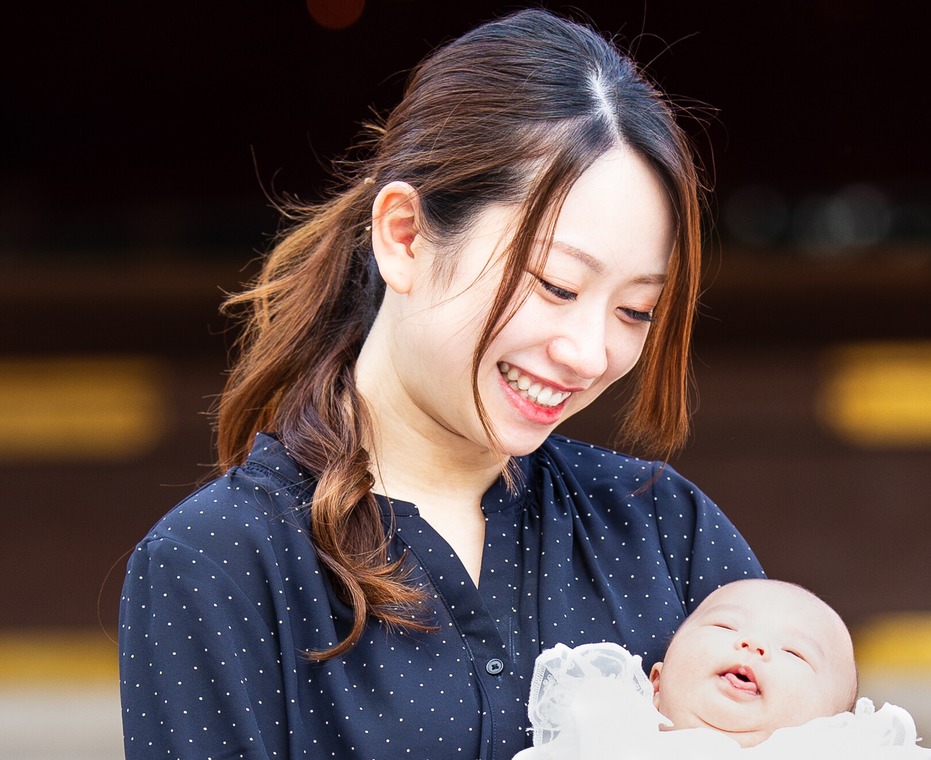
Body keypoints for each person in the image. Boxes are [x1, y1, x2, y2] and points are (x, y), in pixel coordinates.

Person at [118, 9, 763, 759]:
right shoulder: (217, 564)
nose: (590, 355)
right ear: (404, 236)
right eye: (555, 286)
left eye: (635, 310)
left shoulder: (667, 532)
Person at [517, 579, 931, 759]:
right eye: (725, 626)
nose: (753, 645)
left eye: (795, 652)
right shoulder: (605, 736)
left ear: (835, 726)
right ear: (655, 684)